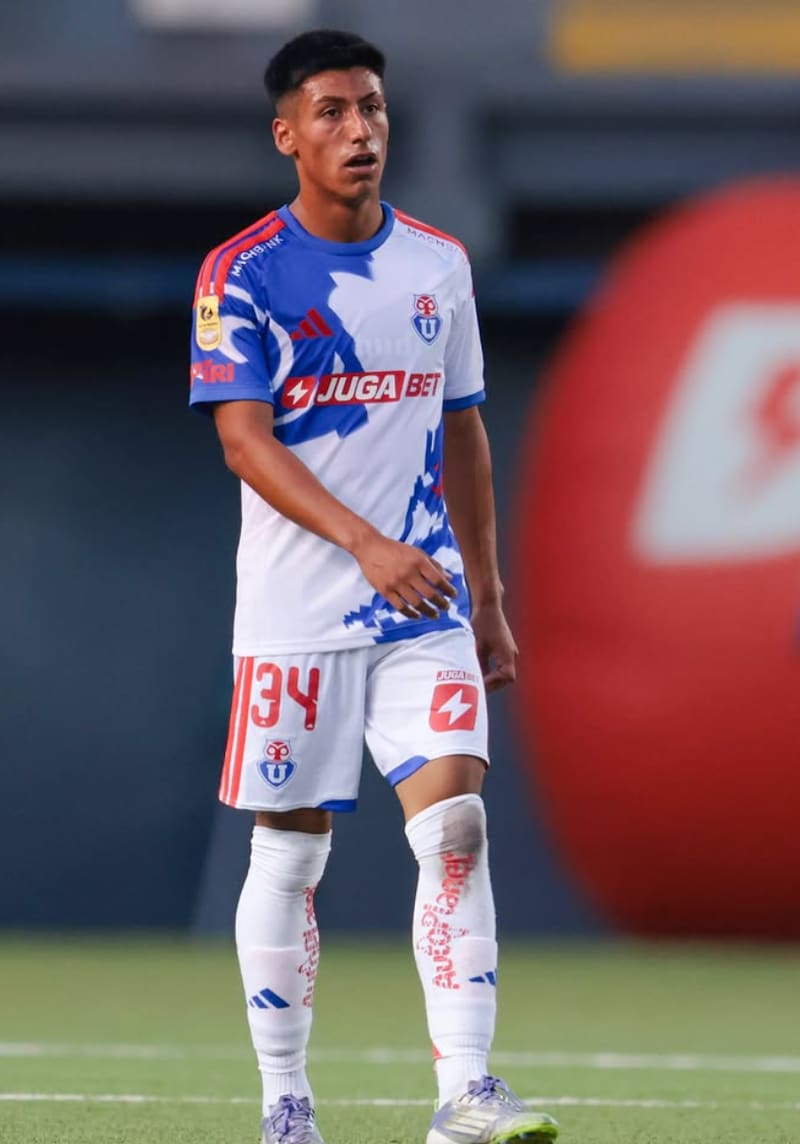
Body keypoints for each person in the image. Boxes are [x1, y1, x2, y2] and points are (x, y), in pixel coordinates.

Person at [189, 27, 559, 1144]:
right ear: (287, 135)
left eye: (374, 110)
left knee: (456, 827)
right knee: (289, 853)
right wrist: (364, 545)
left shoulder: (437, 264)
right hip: (296, 615)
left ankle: (466, 1092)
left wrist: (486, 595)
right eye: (334, 113)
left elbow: (466, 430)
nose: (361, 131)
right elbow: (245, 442)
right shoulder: (240, 274)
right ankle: (286, 1102)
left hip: (421, 608)